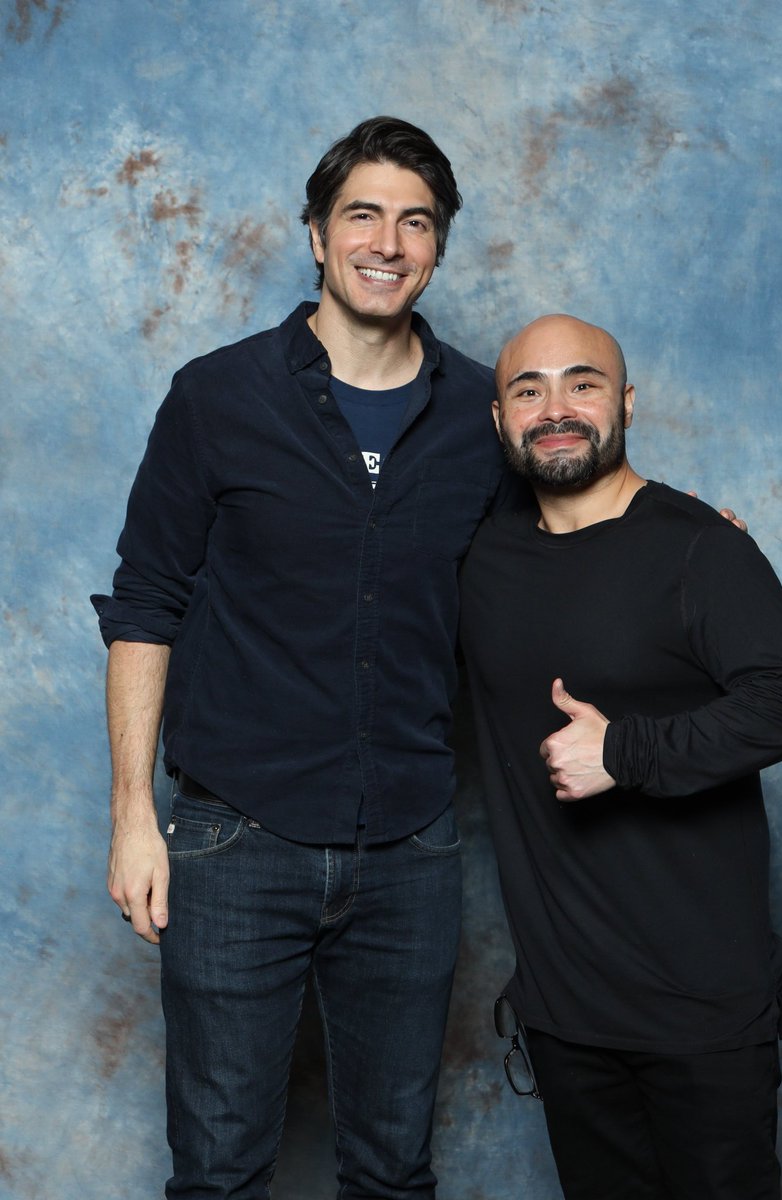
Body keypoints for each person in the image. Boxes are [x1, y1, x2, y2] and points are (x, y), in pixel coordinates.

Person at [91, 116, 509, 1200]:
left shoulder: (482, 414)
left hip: (411, 844)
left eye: (417, 221)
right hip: (236, 839)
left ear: (440, 248)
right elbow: (146, 604)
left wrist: (694, 538)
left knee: (392, 1170)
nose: (389, 240)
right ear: (317, 236)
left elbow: (572, 536)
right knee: (223, 1172)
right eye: (363, 214)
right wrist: (136, 815)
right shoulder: (217, 398)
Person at [458, 314, 782, 1200]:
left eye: (582, 384)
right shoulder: (480, 557)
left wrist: (624, 752)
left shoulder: (701, 546)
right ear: (499, 419)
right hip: (566, 1014)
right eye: (528, 389)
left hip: (701, 1014)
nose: (556, 408)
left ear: (625, 403)